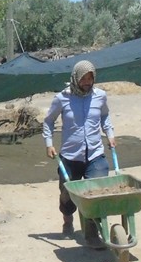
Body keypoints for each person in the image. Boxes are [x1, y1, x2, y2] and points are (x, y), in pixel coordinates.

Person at [43, 59, 116, 248]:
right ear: (76, 78)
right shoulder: (62, 98)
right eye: (84, 79)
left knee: (95, 193)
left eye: (90, 79)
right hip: (70, 156)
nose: (87, 83)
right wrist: (49, 143)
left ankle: (92, 234)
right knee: (67, 194)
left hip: (95, 154)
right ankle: (68, 220)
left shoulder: (100, 96)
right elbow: (48, 121)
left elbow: (105, 116)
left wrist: (110, 134)